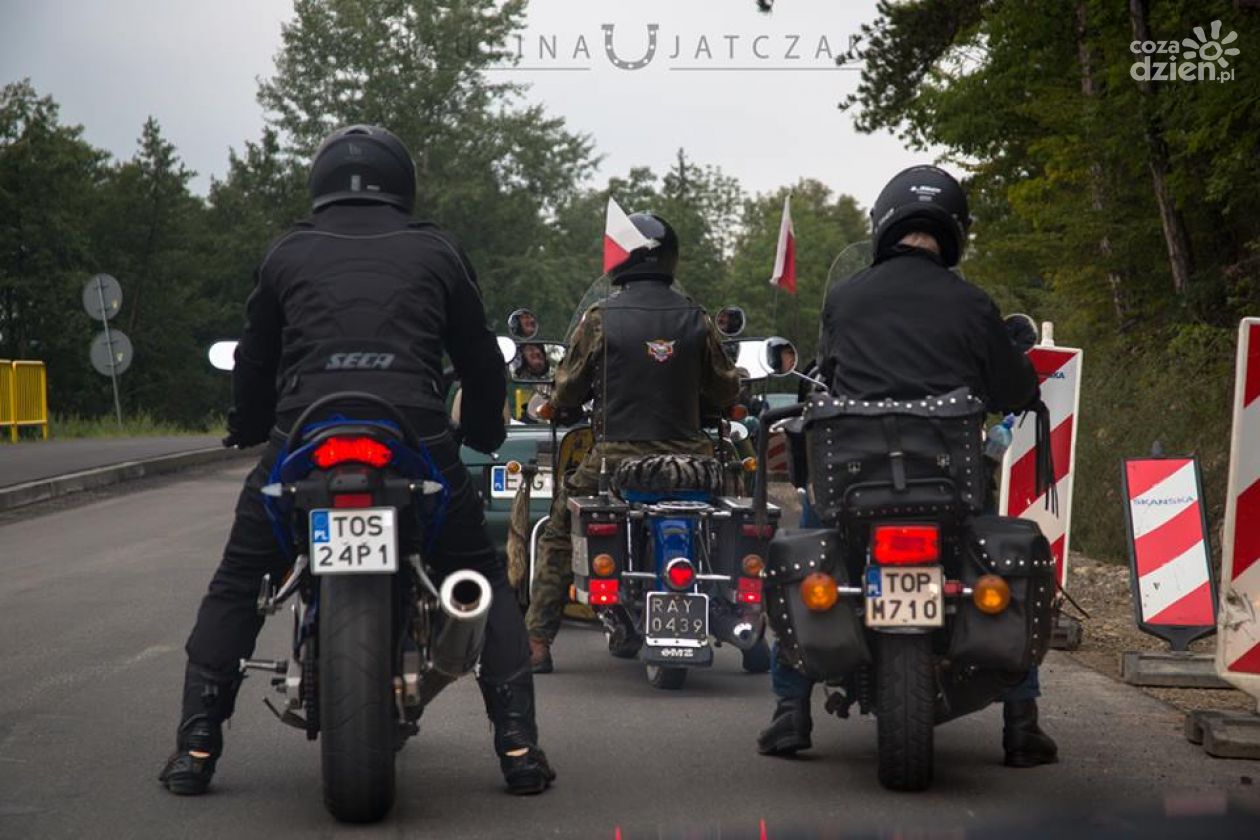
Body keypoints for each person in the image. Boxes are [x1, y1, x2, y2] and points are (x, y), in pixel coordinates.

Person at [159, 125, 554, 798]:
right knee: (482, 578)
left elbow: (254, 359)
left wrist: (247, 426)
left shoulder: (286, 251)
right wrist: (484, 433)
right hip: (415, 435)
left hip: (305, 436)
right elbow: (481, 359)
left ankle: (196, 747)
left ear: (321, 182)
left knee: (240, 580)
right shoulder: (437, 249)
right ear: (401, 182)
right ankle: (518, 747)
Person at [757, 164, 1058, 769]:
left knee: (809, 542)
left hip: (853, 486)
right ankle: (1022, 722)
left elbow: (828, 374)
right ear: (954, 231)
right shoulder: (972, 303)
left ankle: (790, 711)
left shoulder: (846, 298)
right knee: (1001, 562)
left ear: (885, 223)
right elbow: (1013, 385)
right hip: (950, 484)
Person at [525, 212, 742, 672]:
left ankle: (538, 641)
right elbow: (726, 389)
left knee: (560, 533)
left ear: (622, 258)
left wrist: (559, 403)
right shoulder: (696, 317)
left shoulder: (600, 318)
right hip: (691, 460)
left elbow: (568, 389)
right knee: (731, 524)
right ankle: (745, 618)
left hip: (616, 459)